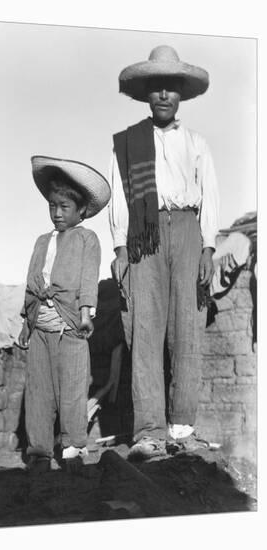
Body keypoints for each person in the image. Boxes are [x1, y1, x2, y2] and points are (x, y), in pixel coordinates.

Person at [109, 45, 220, 459]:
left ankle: (182, 426)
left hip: (189, 231)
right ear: (146, 94)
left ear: (180, 95)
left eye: (170, 88)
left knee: (186, 328)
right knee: (146, 329)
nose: (163, 95)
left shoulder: (196, 143)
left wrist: (208, 248)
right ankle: (149, 431)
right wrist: (121, 248)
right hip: (145, 233)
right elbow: (121, 198)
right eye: (156, 87)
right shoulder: (128, 143)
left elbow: (210, 196)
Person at [19, 155, 111, 472]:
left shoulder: (87, 239)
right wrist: (26, 321)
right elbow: (31, 282)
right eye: (52, 206)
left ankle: (72, 445)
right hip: (40, 327)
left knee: (72, 390)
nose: (57, 213)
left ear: (81, 210)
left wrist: (86, 314)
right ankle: (40, 450)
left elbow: (88, 280)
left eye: (65, 207)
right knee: (39, 391)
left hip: (70, 326)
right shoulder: (42, 241)